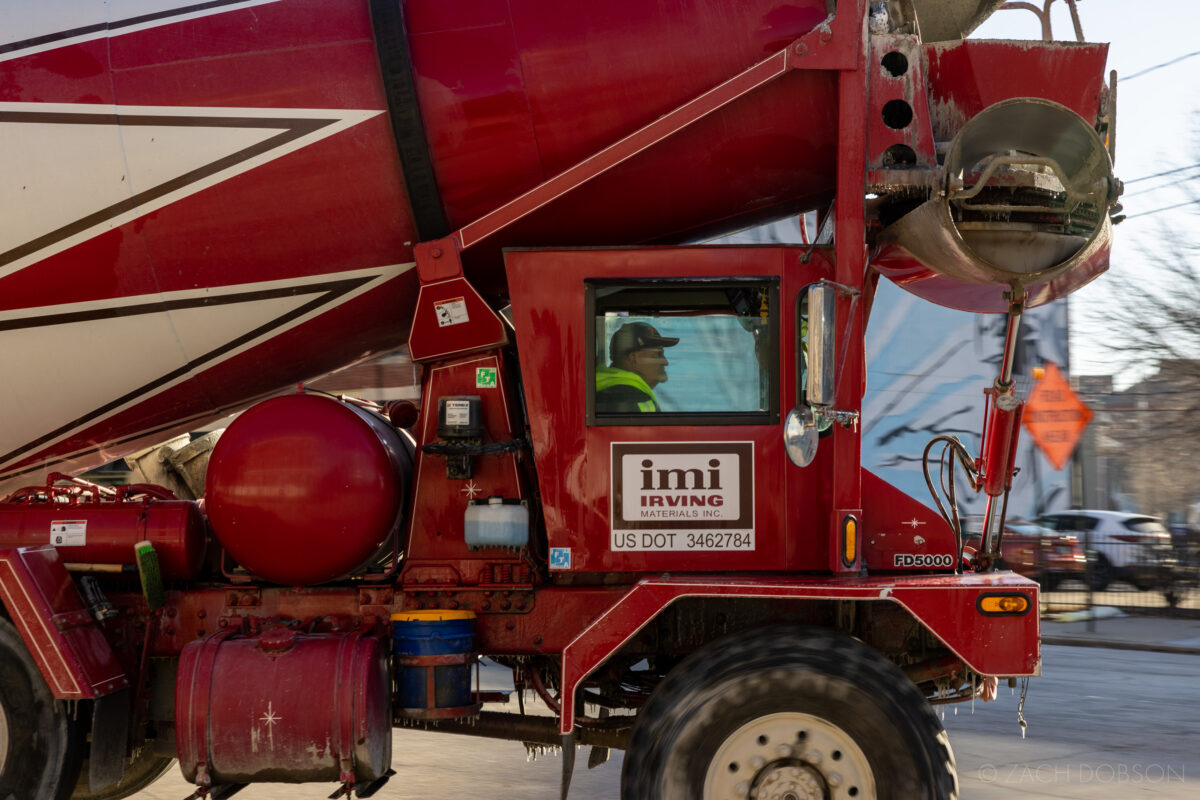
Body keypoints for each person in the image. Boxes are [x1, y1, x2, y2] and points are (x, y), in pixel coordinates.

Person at [596, 322, 679, 413]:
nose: (666, 362)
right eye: (658, 355)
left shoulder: (606, 389)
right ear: (633, 358)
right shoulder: (633, 399)